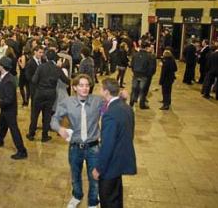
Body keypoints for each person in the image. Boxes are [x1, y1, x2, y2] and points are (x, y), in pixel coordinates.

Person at [51, 74, 104, 208]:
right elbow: (54, 119)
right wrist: (59, 128)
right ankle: (77, 195)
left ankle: (93, 202)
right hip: (75, 146)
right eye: (81, 85)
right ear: (74, 87)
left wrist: (121, 97)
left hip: (93, 147)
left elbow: (111, 105)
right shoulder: (67, 103)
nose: (85, 88)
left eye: (87, 85)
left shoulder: (97, 101)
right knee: (75, 175)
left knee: (95, 177)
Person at [92, 78, 137, 208]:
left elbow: (107, 145)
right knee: (117, 197)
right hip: (121, 160)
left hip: (111, 165)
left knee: (107, 200)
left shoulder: (110, 114)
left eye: (101, 88)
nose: (100, 91)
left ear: (106, 91)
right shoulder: (127, 107)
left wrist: (99, 168)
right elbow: (130, 133)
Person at [27, 49, 70, 142]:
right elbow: (66, 81)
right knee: (47, 115)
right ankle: (45, 135)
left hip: (39, 93)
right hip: (51, 94)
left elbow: (34, 80)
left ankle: (31, 134)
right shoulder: (57, 69)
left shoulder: (41, 67)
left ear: (46, 57)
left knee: (35, 115)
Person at [0, 57, 28, 160]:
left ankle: (22, 150)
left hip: (9, 109)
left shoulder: (8, 80)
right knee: (1, 123)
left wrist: (0, 103)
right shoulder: (4, 76)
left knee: (14, 129)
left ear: (2, 66)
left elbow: (9, 99)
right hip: (5, 109)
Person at [129, 41, 152, 109]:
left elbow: (132, 65)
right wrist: (147, 74)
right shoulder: (149, 56)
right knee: (142, 90)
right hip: (144, 75)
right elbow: (150, 67)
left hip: (136, 74)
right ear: (147, 47)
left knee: (134, 89)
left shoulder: (135, 54)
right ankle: (142, 105)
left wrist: (134, 71)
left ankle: (131, 103)